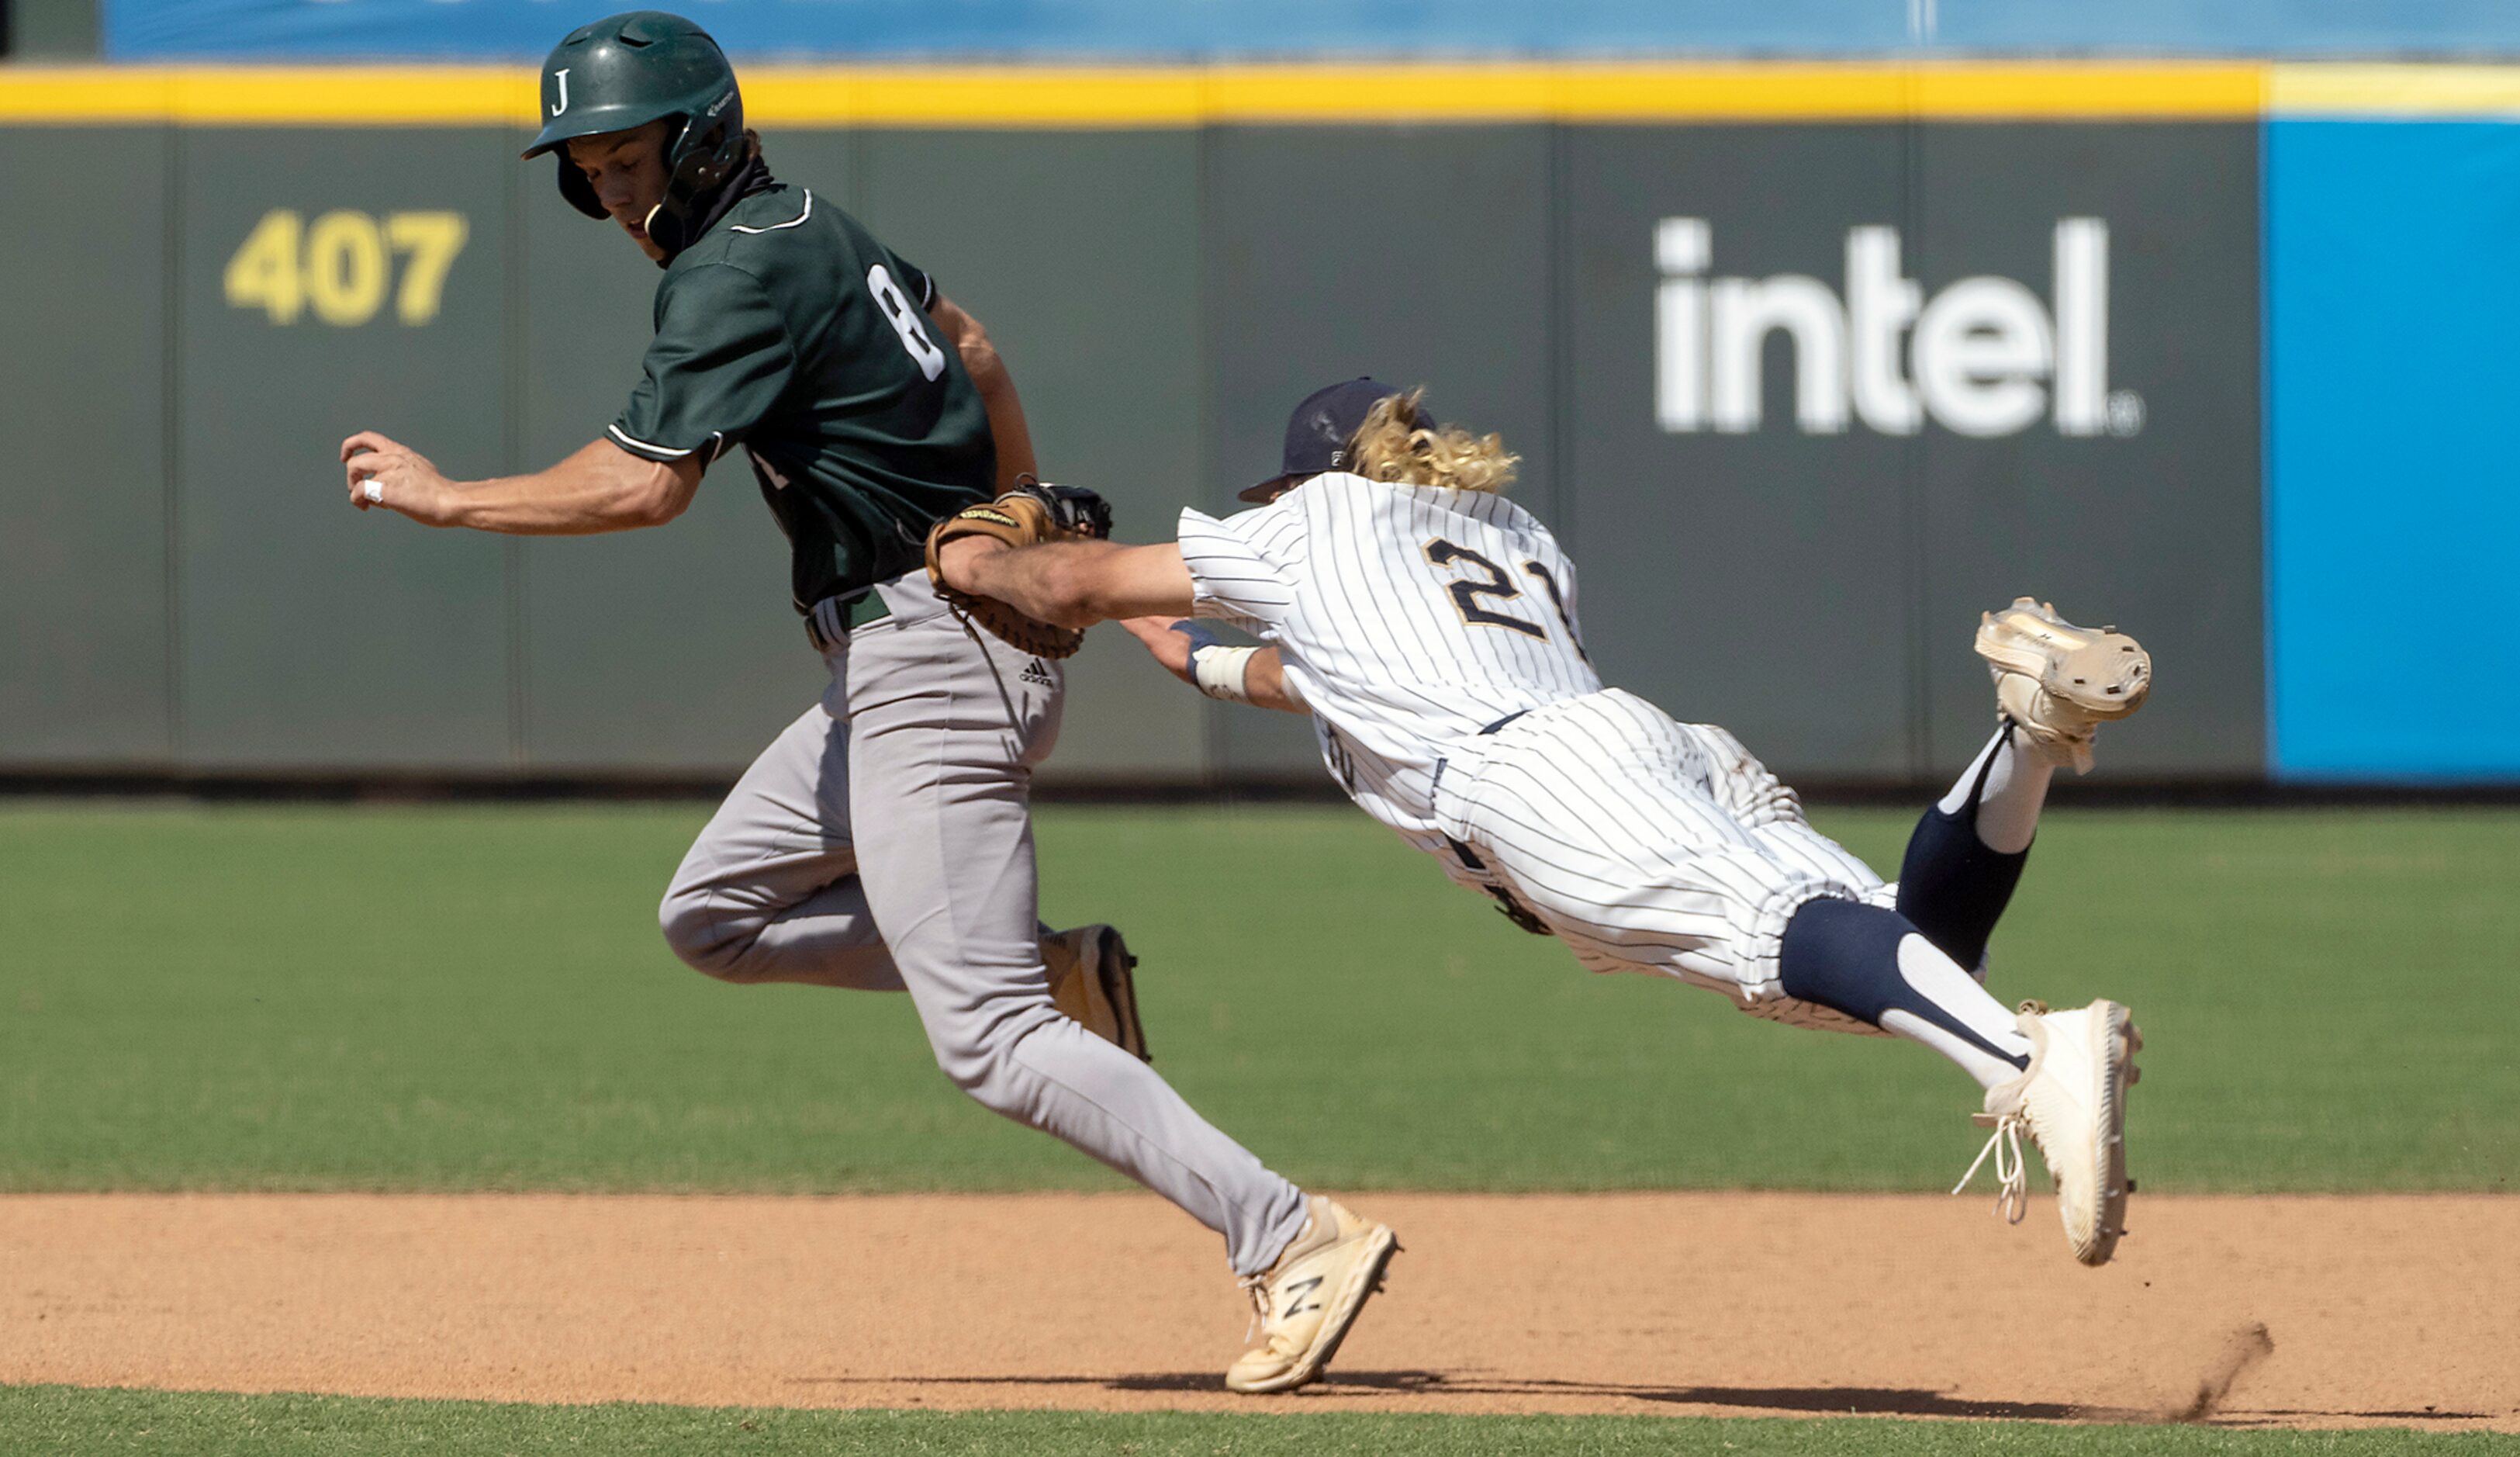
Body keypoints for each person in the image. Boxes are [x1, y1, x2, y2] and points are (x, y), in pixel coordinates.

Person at [337, 12, 1395, 1393]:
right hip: (905, 657)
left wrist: (446, 496)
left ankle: (1288, 1233)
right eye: (584, 168)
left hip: (929, 663)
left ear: (700, 137)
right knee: (712, 916)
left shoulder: (727, 276)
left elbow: (643, 483)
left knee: (992, 1040)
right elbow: (981, 348)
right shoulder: (814, 226)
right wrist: (1031, 546)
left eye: (621, 157)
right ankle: (1057, 970)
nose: (604, 190)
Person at [930, 377, 2148, 1266]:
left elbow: (1073, 584)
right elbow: (1277, 668)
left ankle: (2030, 1062)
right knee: (1910, 948)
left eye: (1282, 490)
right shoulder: (1506, 539)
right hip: (1651, 747)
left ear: (1311, 481)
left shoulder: (1308, 529)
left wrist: (969, 564)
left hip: (1536, 784)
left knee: (1794, 933)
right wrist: (1177, 648)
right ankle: (2027, 733)